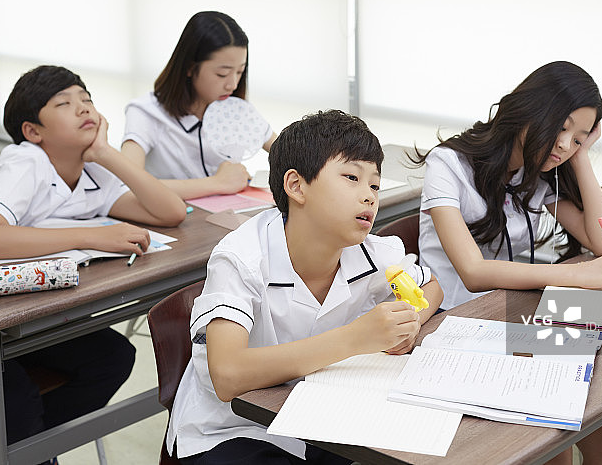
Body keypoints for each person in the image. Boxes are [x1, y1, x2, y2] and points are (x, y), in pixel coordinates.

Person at [0, 65, 186, 465]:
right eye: (65, 104)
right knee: (13, 401)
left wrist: (105, 152)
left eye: (87, 100)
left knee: (112, 358)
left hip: (8, 310)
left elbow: (170, 212)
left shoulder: (93, 168)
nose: (83, 109)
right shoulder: (25, 160)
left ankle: (5, 448)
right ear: (34, 131)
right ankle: (19, 447)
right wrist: (91, 236)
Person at [166, 110, 443, 464]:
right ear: (296, 186)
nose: (369, 196)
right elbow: (227, 375)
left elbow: (431, 285)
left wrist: (412, 322)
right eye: (351, 177)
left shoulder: (375, 252)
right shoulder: (241, 257)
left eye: (374, 184)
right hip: (235, 429)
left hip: (321, 415)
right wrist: (356, 338)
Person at [413, 60, 602, 464]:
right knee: (553, 437)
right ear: (531, 109)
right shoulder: (448, 165)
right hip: (454, 325)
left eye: (579, 137)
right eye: (562, 128)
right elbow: (474, 272)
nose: (565, 144)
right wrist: (577, 275)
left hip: (509, 320)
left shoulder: (538, 171)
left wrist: (580, 158)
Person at [122, 11, 276, 199]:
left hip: (229, 220)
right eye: (222, 74)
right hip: (175, 223)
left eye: (240, 72)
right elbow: (127, 184)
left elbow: (287, 151)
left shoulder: (234, 111)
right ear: (189, 67)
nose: (233, 84)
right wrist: (216, 183)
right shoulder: (145, 112)